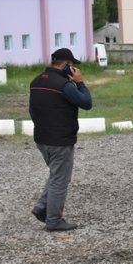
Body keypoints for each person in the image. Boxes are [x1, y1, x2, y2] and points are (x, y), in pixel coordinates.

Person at [29, 48, 93, 232]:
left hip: (41, 138)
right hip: (60, 140)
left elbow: (32, 110)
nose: (73, 69)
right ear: (66, 65)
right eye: (72, 66)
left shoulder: (36, 81)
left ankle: (42, 207)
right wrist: (80, 83)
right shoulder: (64, 85)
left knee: (56, 174)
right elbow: (86, 103)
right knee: (60, 180)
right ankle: (54, 220)